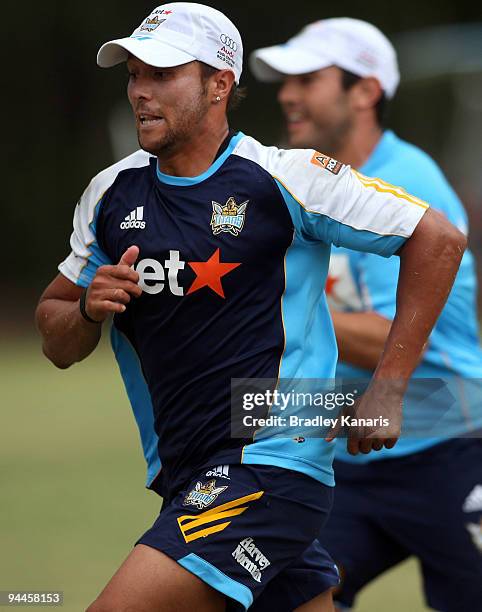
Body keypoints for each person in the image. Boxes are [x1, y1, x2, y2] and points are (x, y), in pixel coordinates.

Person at [35, 5, 466, 612]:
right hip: (186, 476)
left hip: (268, 464)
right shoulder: (111, 193)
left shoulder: (288, 178)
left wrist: (389, 389)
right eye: (134, 74)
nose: (140, 92)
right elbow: (56, 338)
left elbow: (438, 238)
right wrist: (84, 307)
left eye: (162, 74)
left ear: (219, 85)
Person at [250, 17, 482, 612]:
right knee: (282, 597)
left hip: (452, 443)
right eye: (284, 80)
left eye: (308, 78)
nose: (287, 94)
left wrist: (251, 302)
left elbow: (384, 336)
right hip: (348, 451)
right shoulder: (306, 186)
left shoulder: (403, 182)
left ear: (366, 92)